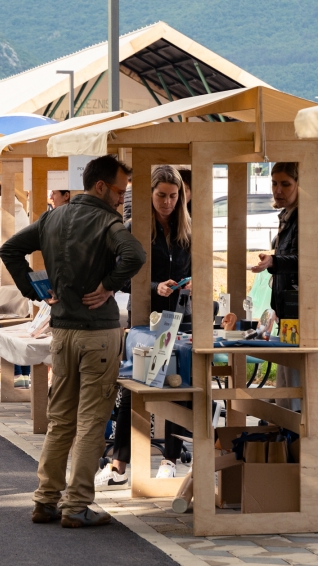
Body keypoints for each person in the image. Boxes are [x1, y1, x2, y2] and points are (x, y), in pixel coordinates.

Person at [0, 155, 146, 528]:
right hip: (98, 333)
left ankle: (45, 499)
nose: (122, 199)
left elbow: (9, 250)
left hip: (62, 330)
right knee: (92, 421)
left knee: (61, 419)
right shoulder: (107, 221)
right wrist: (109, 286)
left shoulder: (53, 217)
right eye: (119, 191)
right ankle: (76, 504)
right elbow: (135, 254)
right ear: (100, 186)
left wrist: (34, 289)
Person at [96, 165, 191, 489]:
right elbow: (119, 279)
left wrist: (190, 284)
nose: (167, 202)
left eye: (173, 196)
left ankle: (170, 461)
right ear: (149, 194)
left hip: (178, 319)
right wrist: (153, 288)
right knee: (133, 389)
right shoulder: (135, 229)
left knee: (178, 388)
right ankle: (119, 464)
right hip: (143, 322)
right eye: (161, 195)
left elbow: (197, 270)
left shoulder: (186, 231)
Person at [252, 162, 299, 411]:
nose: (278, 190)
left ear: (300, 184)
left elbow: (307, 261)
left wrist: (274, 261)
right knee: (286, 382)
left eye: (285, 184)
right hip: (287, 313)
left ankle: (296, 430)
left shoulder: (306, 217)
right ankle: (285, 430)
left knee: (296, 382)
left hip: (302, 312)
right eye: (274, 183)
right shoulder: (287, 216)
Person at [0, 183, 31, 387]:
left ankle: (15, 375)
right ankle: (26, 374)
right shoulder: (22, 210)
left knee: (3, 322)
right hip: (24, 272)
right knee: (22, 323)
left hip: (1, 271)